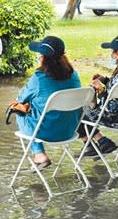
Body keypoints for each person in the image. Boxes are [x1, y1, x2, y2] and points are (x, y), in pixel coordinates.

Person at [10, 36, 82, 170]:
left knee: (20, 113)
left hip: (46, 132)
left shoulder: (38, 78)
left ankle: (39, 154)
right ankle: (39, 154)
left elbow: (20, 98)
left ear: (43, 57)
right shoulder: (74, 75)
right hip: (70, 130)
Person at [77, 35, 118, 157]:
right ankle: (98, 142)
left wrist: (101, 90)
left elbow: (111, 106)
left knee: (78, 110)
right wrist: (104, 80)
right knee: (86, 109)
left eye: (112, 52)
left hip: (117, 118)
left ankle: (97, 142)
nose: (111, 55)